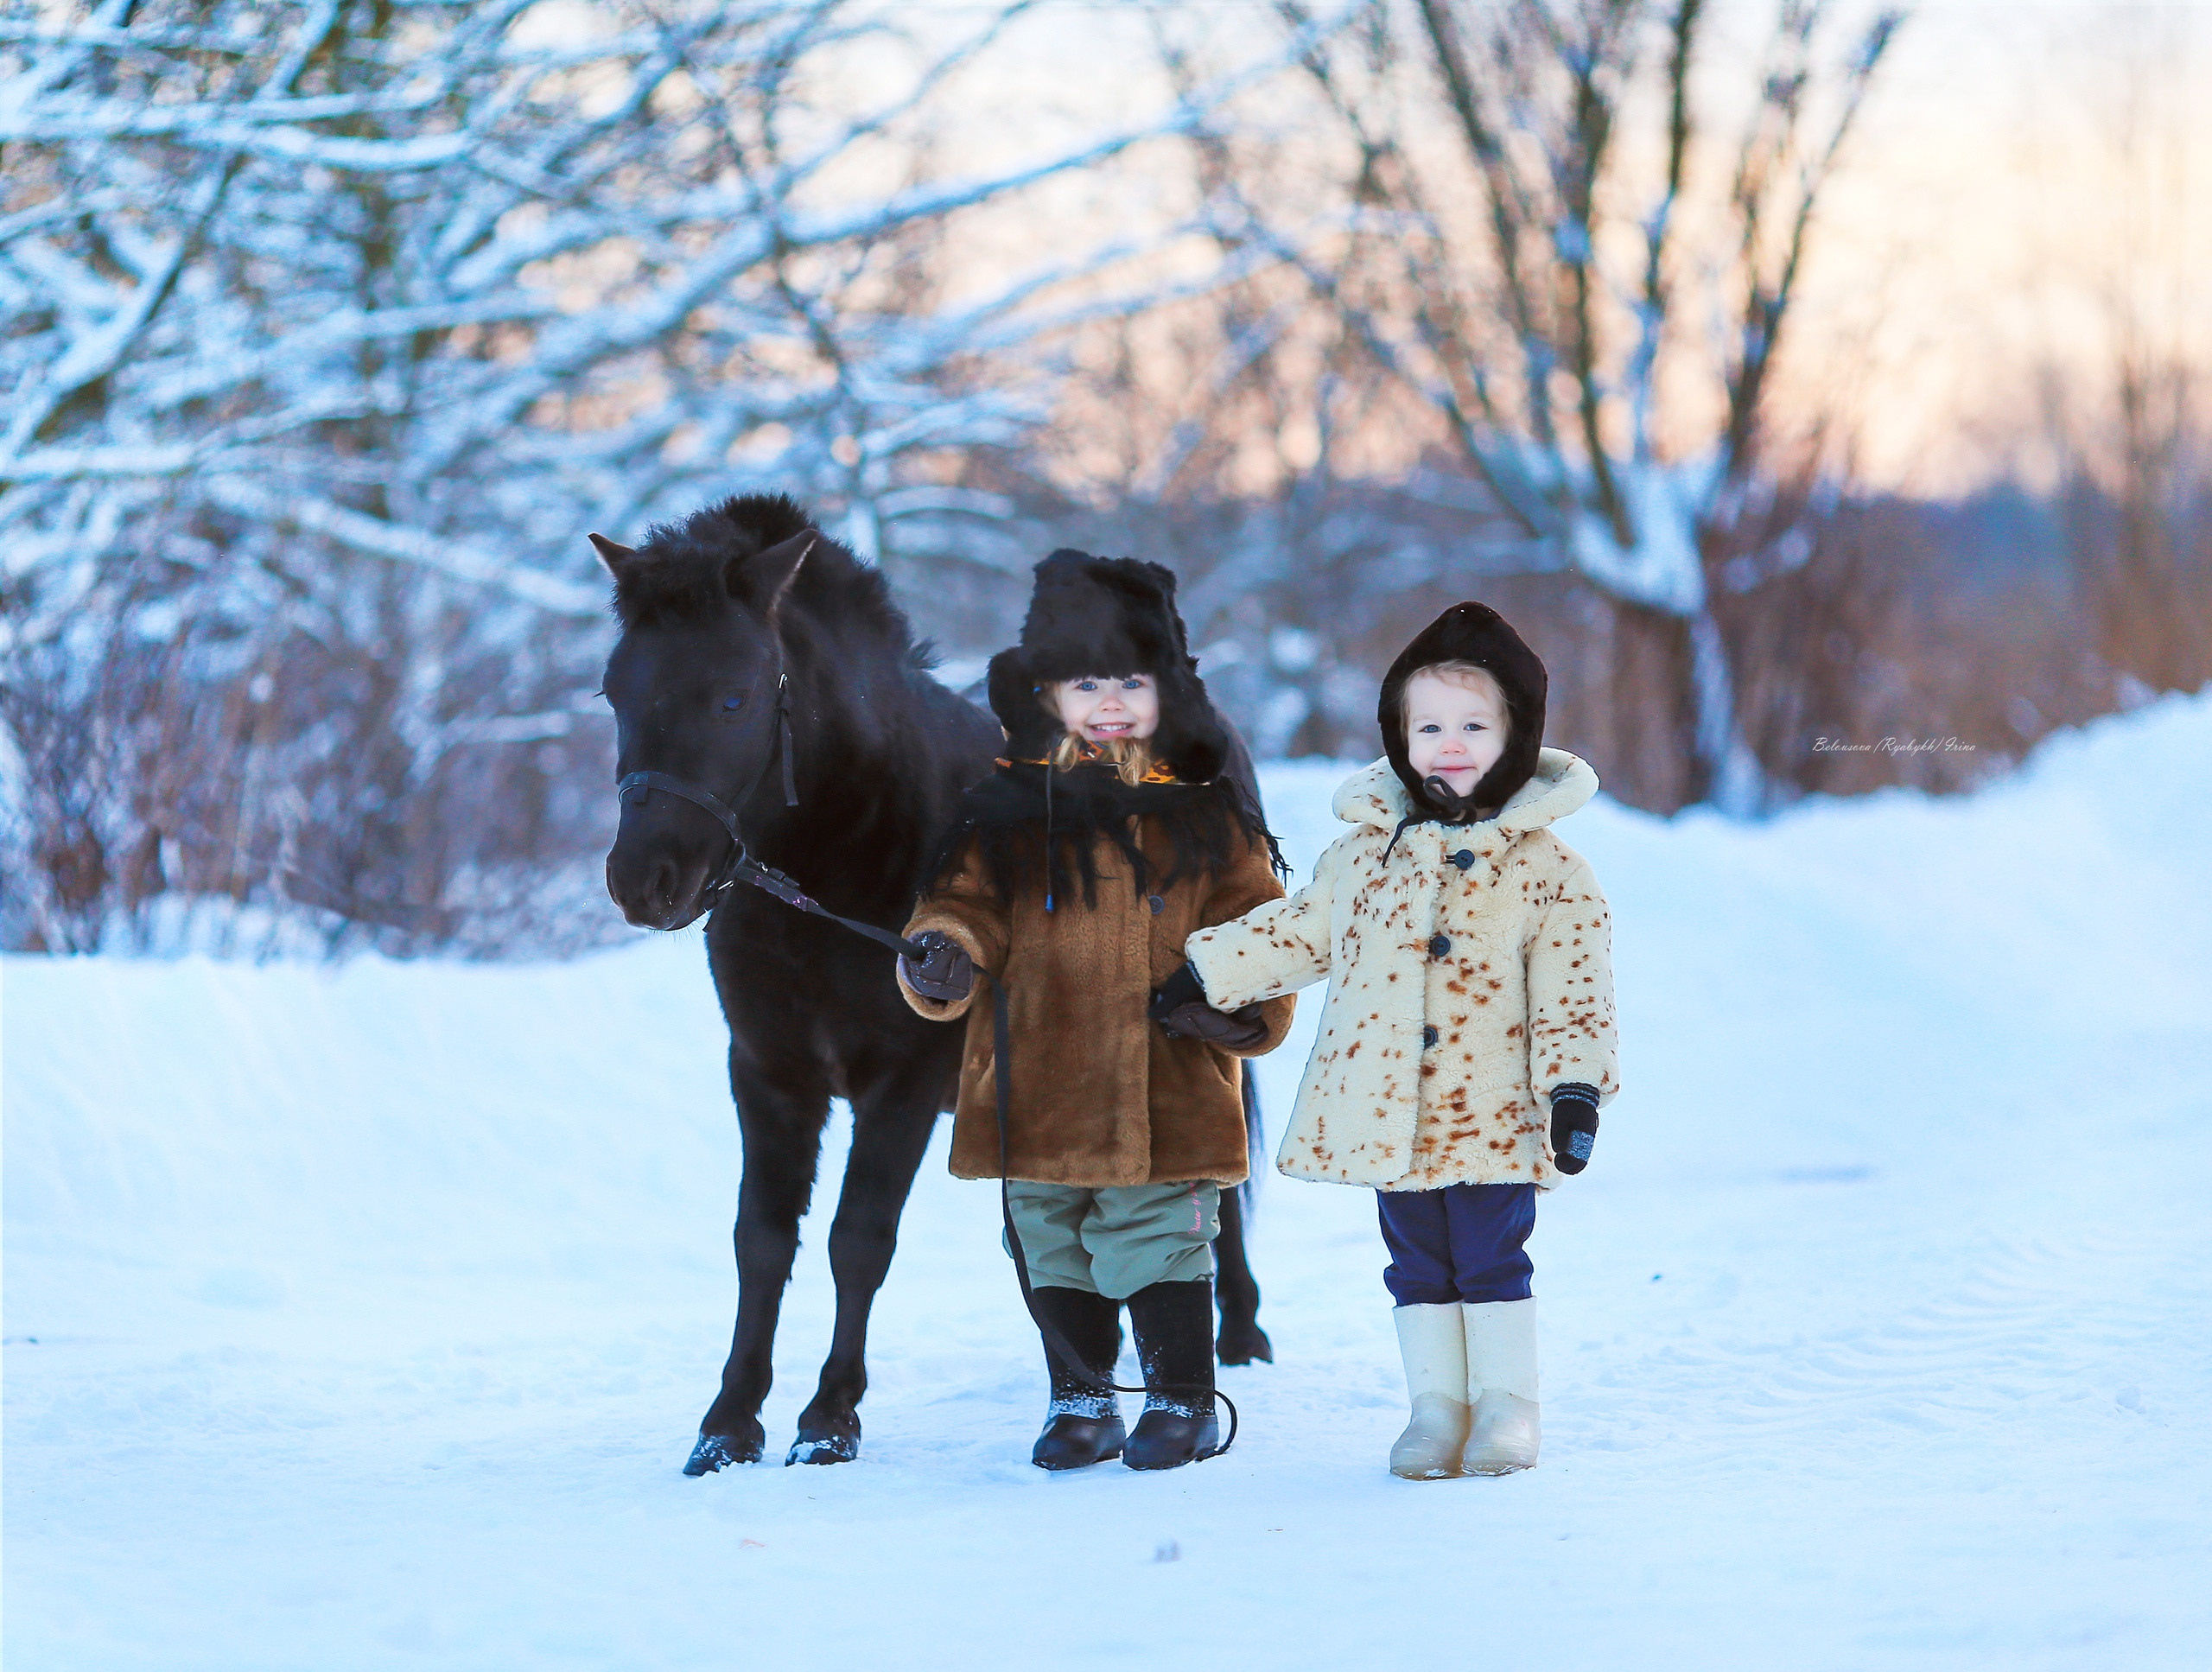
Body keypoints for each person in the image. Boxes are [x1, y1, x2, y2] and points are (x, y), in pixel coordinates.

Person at [1157, 601, 1619, 1479]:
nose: (1451, 742)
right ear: (1398, 735)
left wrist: (1575, 1090)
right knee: (1414, 1259)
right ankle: (1435, 1409)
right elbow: (1299, 932)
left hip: (1492, 1114)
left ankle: (1505, 1411)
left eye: (1474, 724)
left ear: (1514, 736)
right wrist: (1207, 971)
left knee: (1488, 1255)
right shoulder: (1364, 855)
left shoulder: (1549, 870)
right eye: (1429, 724)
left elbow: (1576, 991)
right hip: (1390, 1117)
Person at [893, 550, 1294, 1472]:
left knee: (1156, 1240)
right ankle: (1078, 1402)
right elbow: (961, 906)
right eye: (1086, 682)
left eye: (1131, 681)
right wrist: (943, 953)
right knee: (1048, 1245)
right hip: (1032, 1084)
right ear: (1048, 695)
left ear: (1164, 694)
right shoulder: (1001, 815)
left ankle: (1182, 1402)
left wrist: (1228, 996)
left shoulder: (1202, 816)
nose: (1109, 700)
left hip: (1162, 1077)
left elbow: (1259, 923)